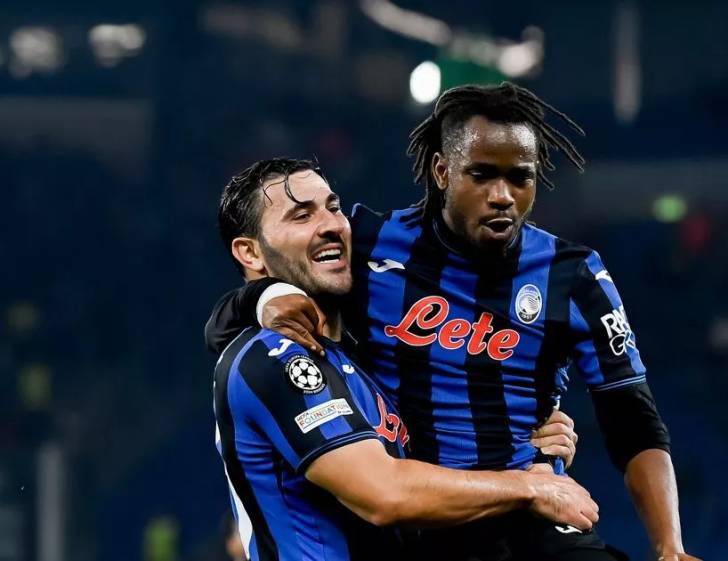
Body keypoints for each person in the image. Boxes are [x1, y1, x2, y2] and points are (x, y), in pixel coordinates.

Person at [207, 83, 698, 560]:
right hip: (428, 515)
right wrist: (261, 296)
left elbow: (633, 420)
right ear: (442, 171)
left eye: (520, 178)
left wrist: (669, 546)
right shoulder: (368, 244)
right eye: (481, 175)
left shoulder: (574, 276)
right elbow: (237, 329)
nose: (502, 195)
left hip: (535, 513)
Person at [213, 158, 599, 560]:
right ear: (250, 252)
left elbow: (424, 487)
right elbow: (385, 494)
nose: (330, 224)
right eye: (301, 215)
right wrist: (529, 487)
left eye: (333, 207)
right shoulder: (276, 356)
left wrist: (525, 442)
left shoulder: (363, 359)